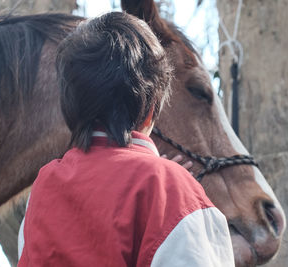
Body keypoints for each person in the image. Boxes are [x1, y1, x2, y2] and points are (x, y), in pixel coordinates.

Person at [18, 12, 234, 267]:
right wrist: (171, 184)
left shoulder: (43, 187)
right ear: (153, 108)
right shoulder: (173, 191)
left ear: (70, 107)